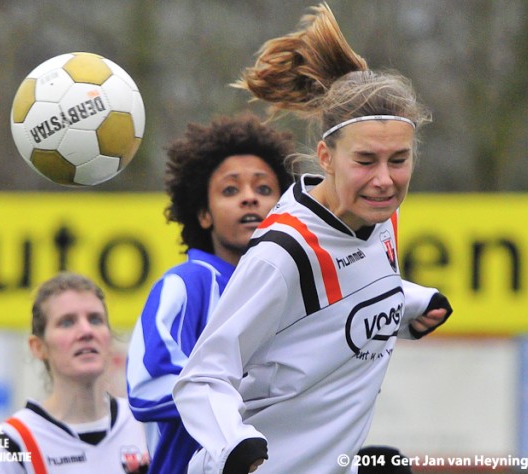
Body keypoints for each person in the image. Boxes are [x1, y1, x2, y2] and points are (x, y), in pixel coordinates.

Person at [173, 4, 453, 474]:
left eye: (399, 160)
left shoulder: (380, 217)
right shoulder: (284, 254)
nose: (384, 180)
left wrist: (413, 304)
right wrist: (237, 448)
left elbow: (348, 297)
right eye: (366, 161)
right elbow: (202, 376)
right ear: (325, 156)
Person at [125, 112, 295, 474]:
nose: (250, 198)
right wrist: (245, 405)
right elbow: (148, 384)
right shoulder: (187, 285)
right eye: (230, 189)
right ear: (204, 214)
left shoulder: (300, 290)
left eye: (264, 189)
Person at [0, 272, 150, 474]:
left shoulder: (145, 423)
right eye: (67, 322)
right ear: (38, 347)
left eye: (95, 319)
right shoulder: (11, 445)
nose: (86, 331)